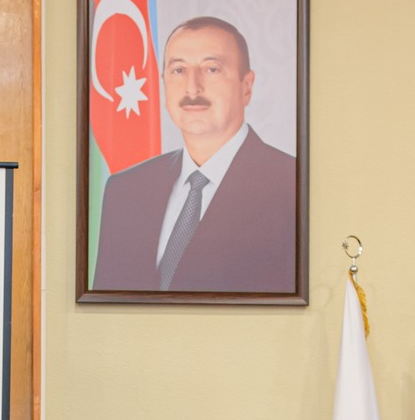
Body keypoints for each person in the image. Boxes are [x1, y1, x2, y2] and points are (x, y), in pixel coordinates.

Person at [91, 15, 297, 294]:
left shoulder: (292, 186)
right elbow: (107, 308)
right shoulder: (125, 190)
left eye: (212, 69)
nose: (192, 87)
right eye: (178, 70)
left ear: (246, 87)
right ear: (163, 84)